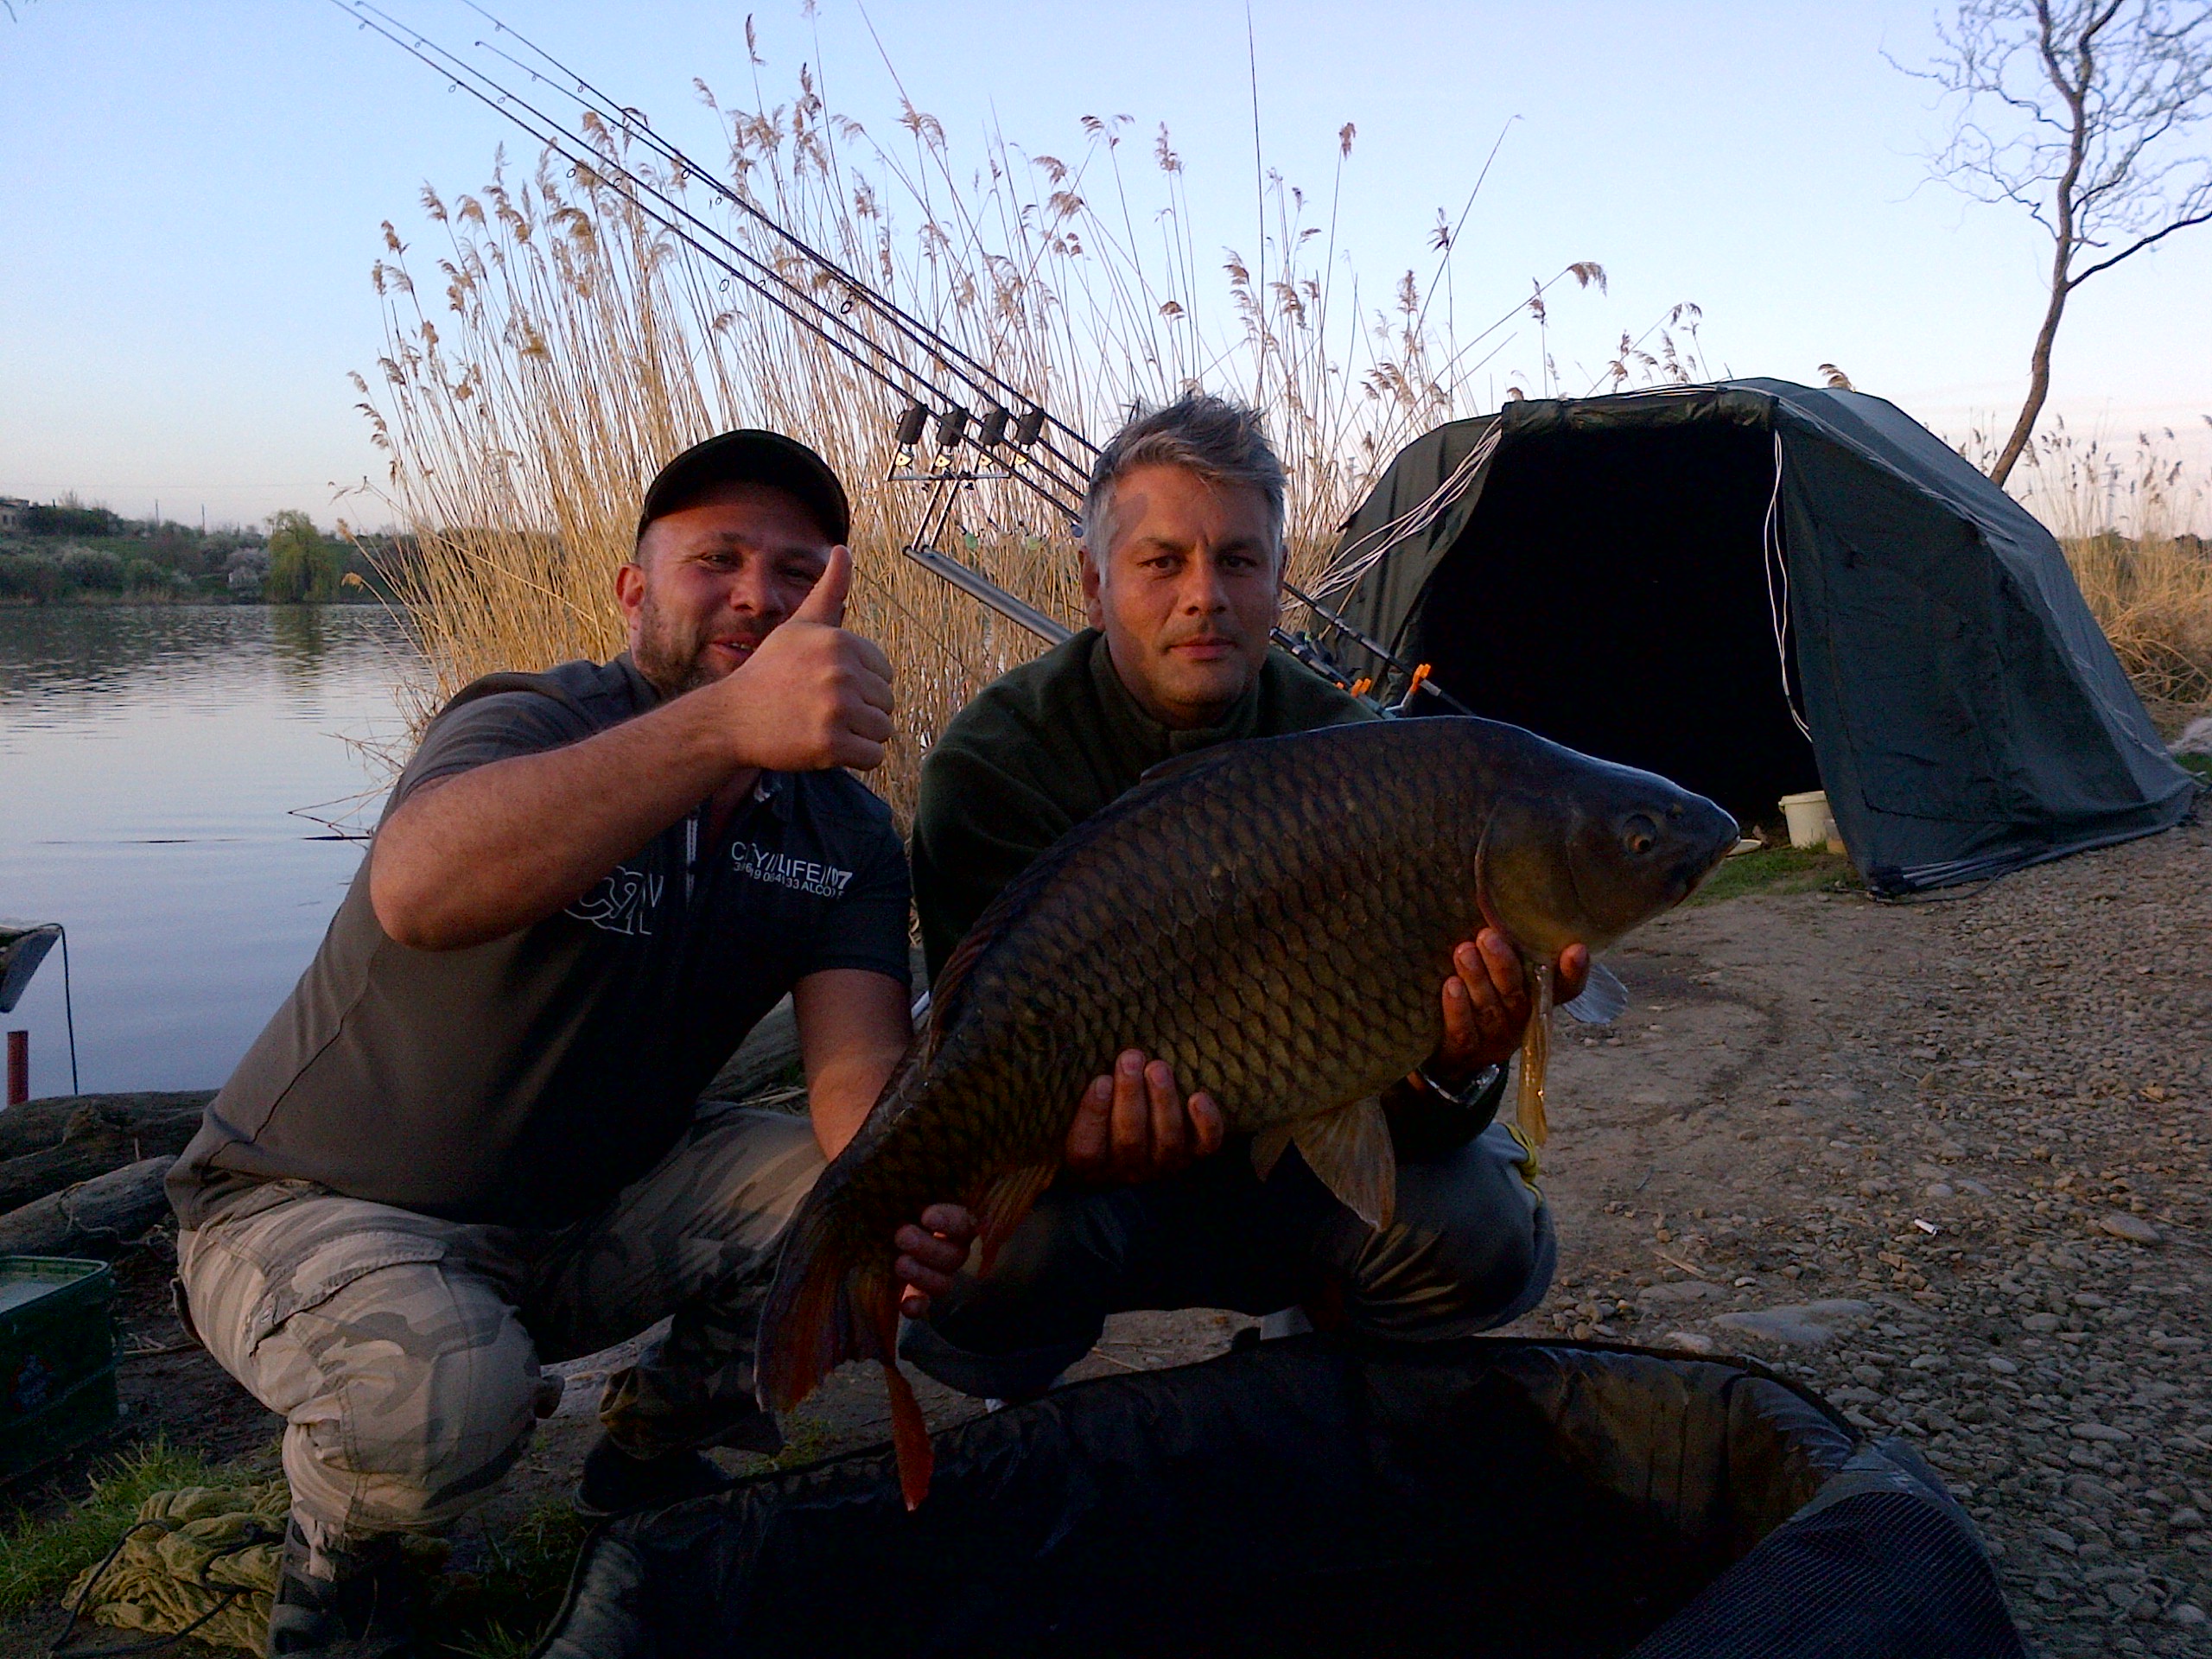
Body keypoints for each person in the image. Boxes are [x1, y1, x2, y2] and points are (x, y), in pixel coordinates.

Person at [168, 431, 914, 1659]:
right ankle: (347, 1562)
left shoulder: (845, 830)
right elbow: (419, 887)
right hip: (310, 1204)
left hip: (583, 1215)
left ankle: (651, 1452)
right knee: (444, 1402)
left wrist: (916, 1201)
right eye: (717, 560)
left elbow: (855, 1076)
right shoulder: (528, 718)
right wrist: (725, 726)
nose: (757, 595)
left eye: (795, 571)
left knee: (851, 1205)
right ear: (632, 591)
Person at [893, 392, 1586, 1400]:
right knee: (976, 1268)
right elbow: (977, 1064)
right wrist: (1070, 1149)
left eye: (1237, 560)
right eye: (1161, 562)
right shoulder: (992, 765)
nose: (1204, 596)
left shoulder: (1361, 758)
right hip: (1084, 1190)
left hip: (1290, 1170)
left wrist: (1454, 1067)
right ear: (1092, 582)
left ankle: (1323, 1377)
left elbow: (1413, 1111)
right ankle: (1023, 1414)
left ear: (1277, 580)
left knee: (1480, 1227)